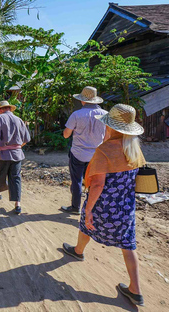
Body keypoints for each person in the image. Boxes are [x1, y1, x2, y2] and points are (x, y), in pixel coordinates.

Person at [62, 104, 146, 306]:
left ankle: (79, 251)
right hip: (125, 207)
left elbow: (98, 184)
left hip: (104, 205)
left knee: (86, 222)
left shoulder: (104, 150)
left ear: (111, 127)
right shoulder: (134, 149)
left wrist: (89, 208)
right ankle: (135, 289)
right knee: (128, 244)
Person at [61, 86, 108, 215]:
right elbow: (107, 137)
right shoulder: (105, 115)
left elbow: (66, 134)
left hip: (78, 153)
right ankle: (93, 208)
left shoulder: (76, 115)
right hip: (96, 155)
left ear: (83, 101)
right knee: (95, 182)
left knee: (76, 181)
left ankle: (75, 207)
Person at [0, 101, 31, 214]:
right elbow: (26, 139)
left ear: (0, 109)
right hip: (17, 154)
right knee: (16, 178)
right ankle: (18, 204)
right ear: (9, 109)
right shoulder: (19, 120)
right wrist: (16, 147)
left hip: (2, 154)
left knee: (0, 175)